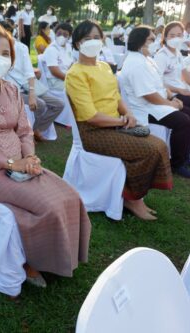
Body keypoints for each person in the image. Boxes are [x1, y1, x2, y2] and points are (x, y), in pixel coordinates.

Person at [0, 26, 91, 288]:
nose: (0, 58)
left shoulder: (10, 90)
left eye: (5, 53)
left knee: (70, 196)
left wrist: (29, 157)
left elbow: (25, 130)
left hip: (22, 165)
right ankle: (32, 260)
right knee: (48, 206)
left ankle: (63, 255)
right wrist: (11, 163)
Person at [66, 20, 172, 221]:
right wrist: (122, 122)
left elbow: (116, 96)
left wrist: (129, 114)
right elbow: (90, 117)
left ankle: (134, 195)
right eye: (87, 39)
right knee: (150, 149)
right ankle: (133, 200)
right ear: (77, 43)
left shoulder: (105, 66)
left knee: (159, 144)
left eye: (97, 37)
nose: (93, 42)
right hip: (93, 132)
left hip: (114, 124)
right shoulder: (75, 73)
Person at [120, 26, 190, 178]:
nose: (155, 42)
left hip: (156, 102)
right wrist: (171, 105)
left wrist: (171, 98)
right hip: (144, 108)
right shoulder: (137, 63)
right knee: (182, 120)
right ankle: (177, 164)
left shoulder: (146, 59)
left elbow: (158, 83)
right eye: (151, 39)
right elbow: (148, 95)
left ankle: (184, 157)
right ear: (140, 41)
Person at [0, 21, 64, 141]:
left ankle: (36, 130)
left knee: (59, 104)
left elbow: (29, 72)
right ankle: (30, 135)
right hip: (12, 90)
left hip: (27, 86)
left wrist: (32, 94)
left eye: (8, 34)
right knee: (41, 105)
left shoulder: (21, 48)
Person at [43, 22, 74, 90]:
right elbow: (54, 72)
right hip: (55, 81)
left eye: (65, 34)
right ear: (55, 34)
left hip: (66, 77)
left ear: (69, 37)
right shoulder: (52, 49)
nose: (61, 36)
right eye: (59, 34)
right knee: (78, 88)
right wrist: (70, 79)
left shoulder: (68, 46)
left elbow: (71, 63)